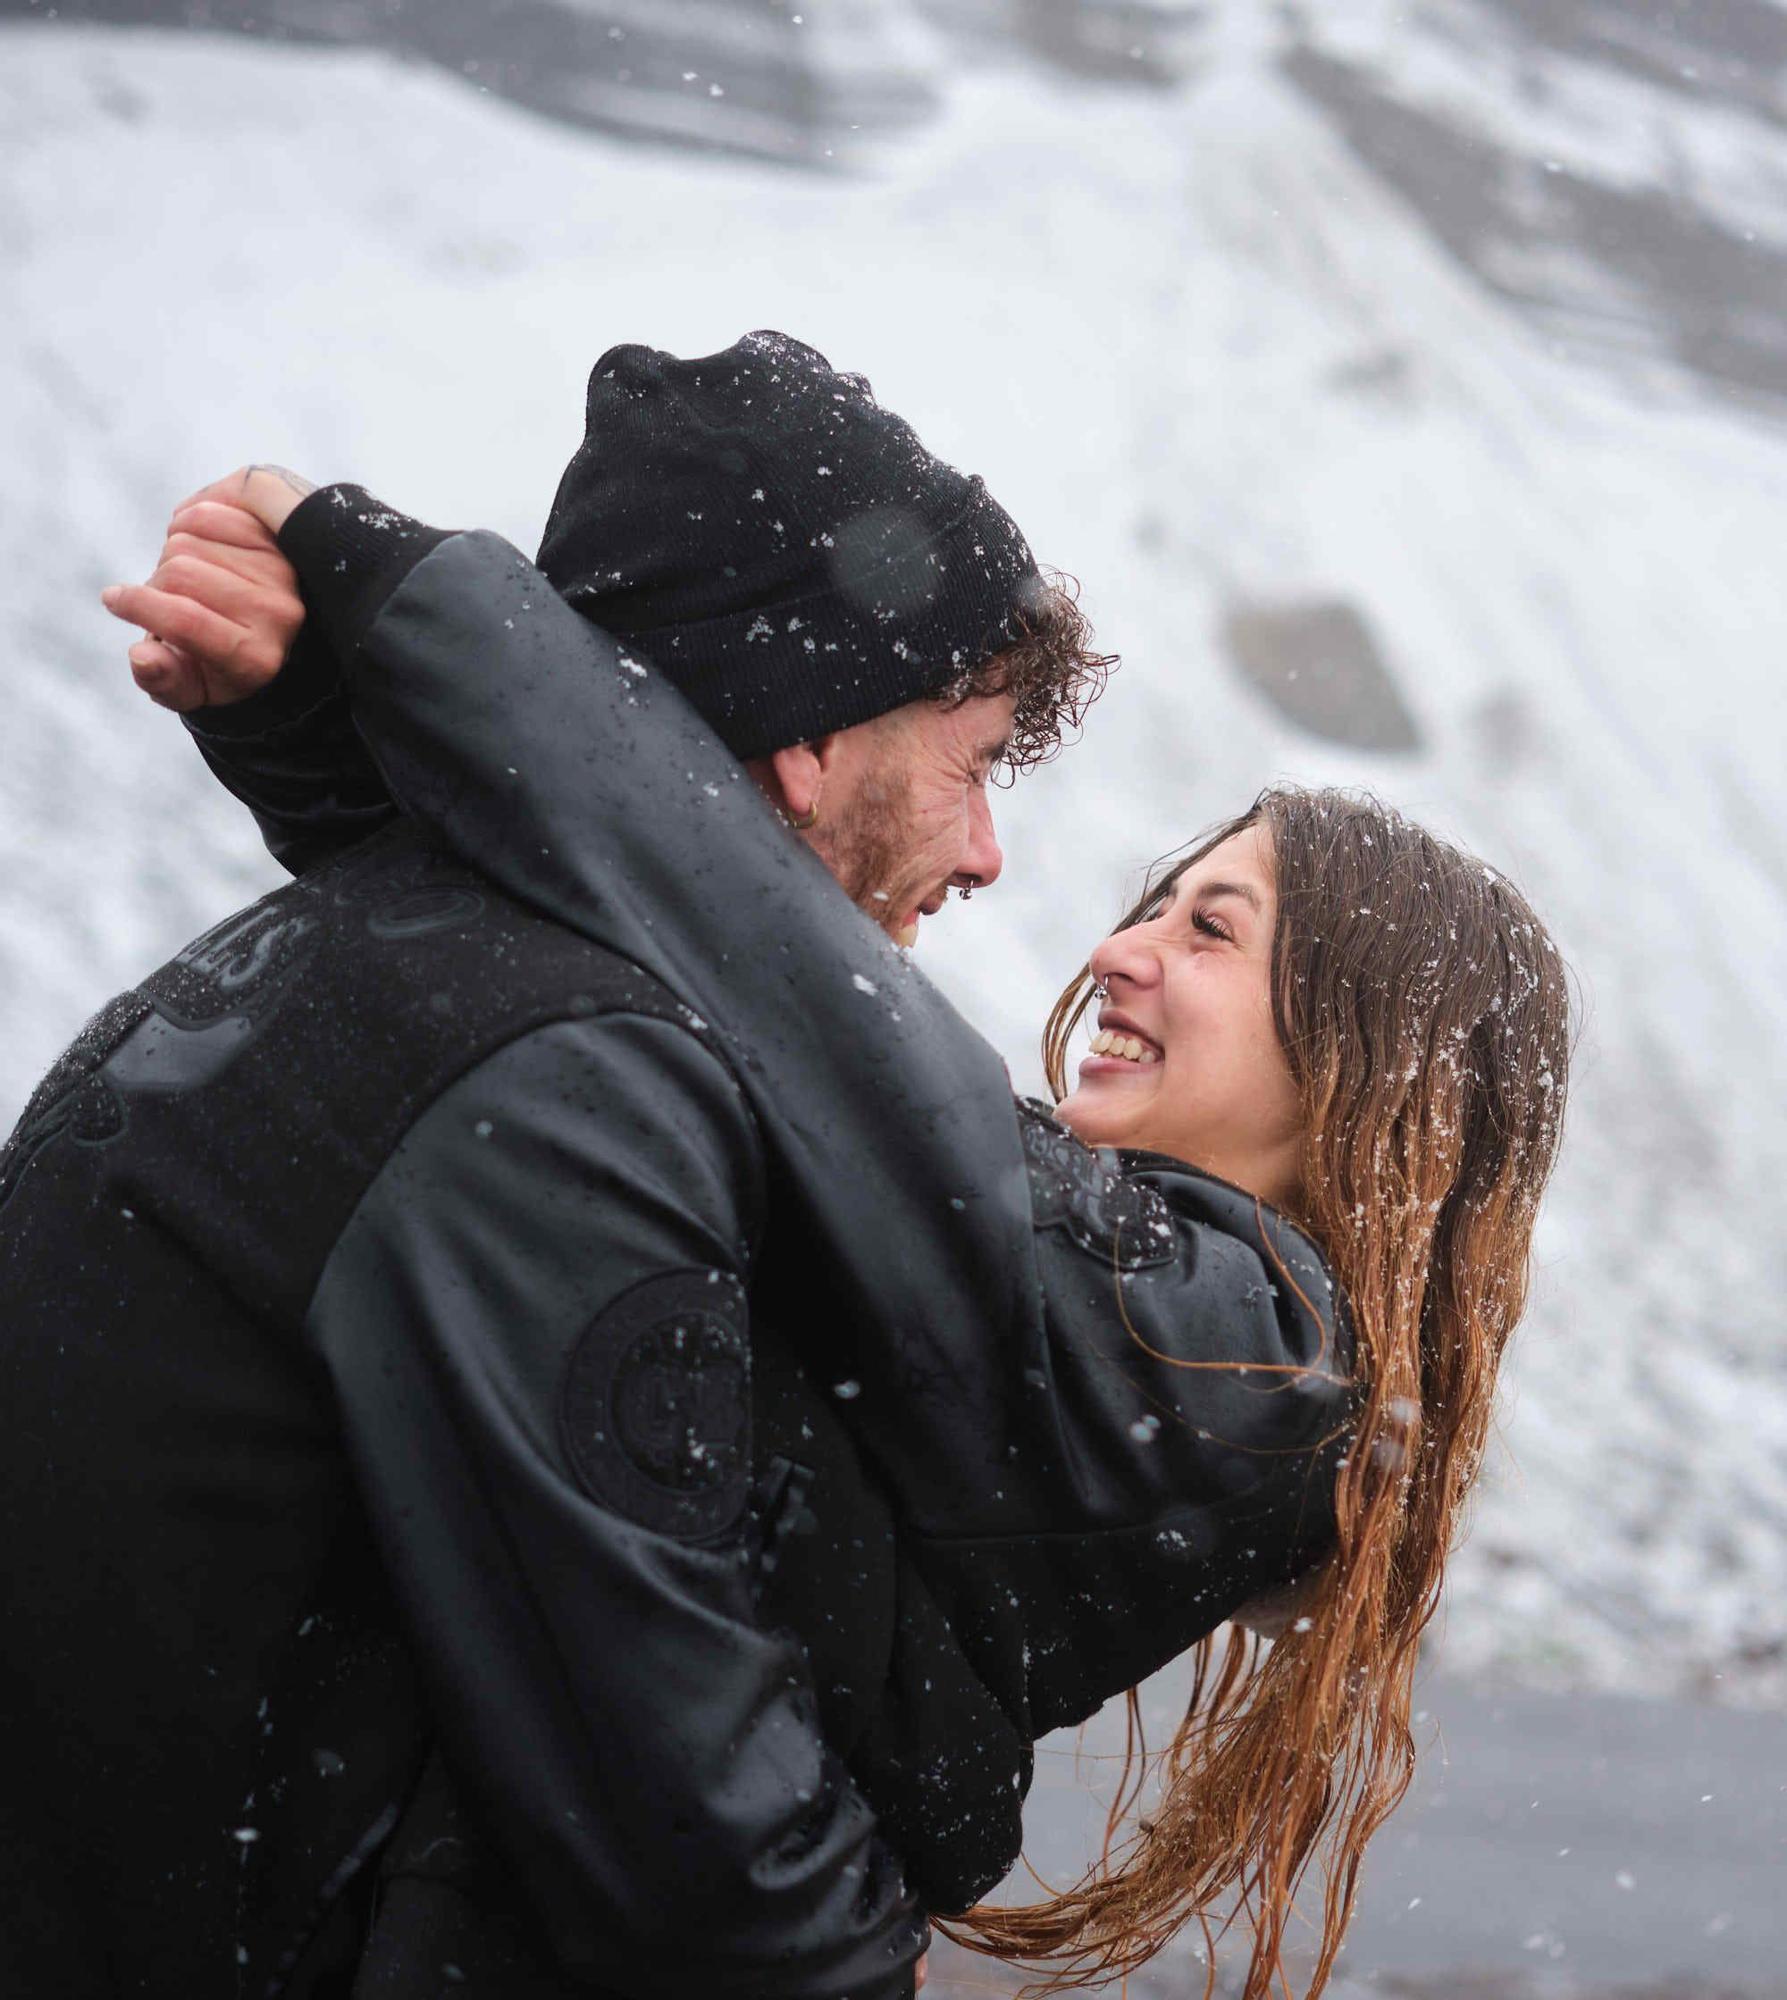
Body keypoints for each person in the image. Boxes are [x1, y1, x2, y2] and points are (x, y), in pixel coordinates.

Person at [101, 430, 1570, 1997]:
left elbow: (742, 965)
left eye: (1212, 931)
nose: (1127, 952)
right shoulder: (1141, 1302)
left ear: (1361, 1073)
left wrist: (404, 602)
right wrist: (318, 731)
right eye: (1154, 904)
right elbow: (629, 1023)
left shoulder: (1246, 1352)